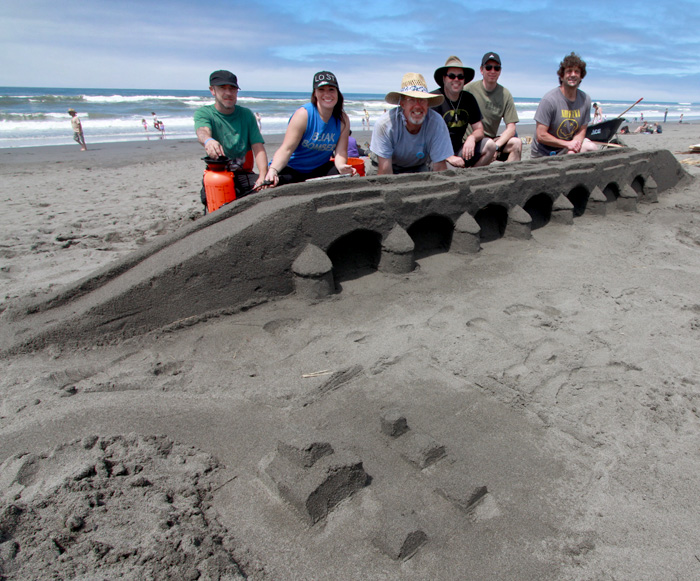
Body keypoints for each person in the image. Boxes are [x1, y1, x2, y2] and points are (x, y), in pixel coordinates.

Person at [194, 70, 270, 209]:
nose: (228, 93)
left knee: (268, 193)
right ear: (212, 90)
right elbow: (202, 131)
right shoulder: (205, 113)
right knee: (213, 201)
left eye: (232, 89)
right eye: (222, 88)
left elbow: (258, 147)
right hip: (219, 174)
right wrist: (208, 141)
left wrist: (263, 176)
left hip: (244, 174)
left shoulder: (246, 114)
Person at [265, 71, 355, 186]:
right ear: (315, 94)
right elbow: (287, 149)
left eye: (331, 89)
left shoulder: (343, 119)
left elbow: (340, 152)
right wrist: (273, 170)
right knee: (275, 182)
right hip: (293, 168)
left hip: (318, 169)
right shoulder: (303, 114)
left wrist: (342, 167)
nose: (327, 94)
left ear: (337, 92)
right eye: (321, 90)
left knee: (343, 177)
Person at [369, 72, 452, 174]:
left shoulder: (437, 123)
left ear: (428, 103)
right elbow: (385, 171)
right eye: (411, 100)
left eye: (422, 100)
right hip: (385, 164)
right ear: (402, 104)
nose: (417, 106)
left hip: (418, 165)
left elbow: (440, 167)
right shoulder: (385, 125)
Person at [530, 52, 598, 158]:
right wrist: (567, 144)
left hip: (567, 148)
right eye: (569, 71)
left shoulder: (585, 99)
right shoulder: (549, 100)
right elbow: (541, 135)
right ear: (562, 76)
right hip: (544, 153)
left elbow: (582, 129)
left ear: (581, 77)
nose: (573, 74)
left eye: (576, 72)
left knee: (591, 147)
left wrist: (574, 146)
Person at [430, 55, 491, 168]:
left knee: (490, 146)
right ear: (444, 78)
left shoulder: (469, 99)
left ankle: (472, 176)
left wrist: (471, 138)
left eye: (460, 76)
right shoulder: (435, 99)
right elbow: (427, 137)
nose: (456, 80)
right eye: (452, 76)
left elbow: (479, 130)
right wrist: (447, 157)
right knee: (449, 171)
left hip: (459, 150)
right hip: (437, 155)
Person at [465, 52, 522, 164]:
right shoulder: (469, 90)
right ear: (482, 70)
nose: (492, 71)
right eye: (488, 67)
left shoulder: (505, 94)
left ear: (500, 71)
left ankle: (510, 178)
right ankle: (475, 177)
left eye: (496, 68)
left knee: (517, 143)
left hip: (492, 141)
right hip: (472, 142)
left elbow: (511, 128)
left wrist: (496, 146)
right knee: (487, 146)